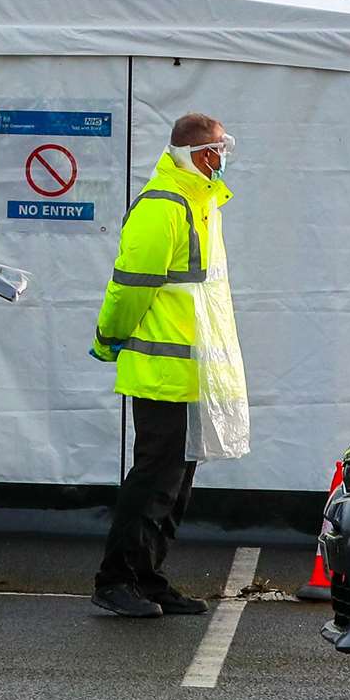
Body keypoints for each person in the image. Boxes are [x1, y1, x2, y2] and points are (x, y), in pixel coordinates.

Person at [90, 113, 239, 618]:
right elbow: (130, 287)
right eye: (216, 150)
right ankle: (116, 581)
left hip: (190, 372)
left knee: (174, 485)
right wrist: (108, 337)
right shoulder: (165, 207)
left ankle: (148, 578)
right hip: (162, 372)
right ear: (195, 155)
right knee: (154, 481)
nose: (222, 159)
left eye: (223, 150)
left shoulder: (200, 202)